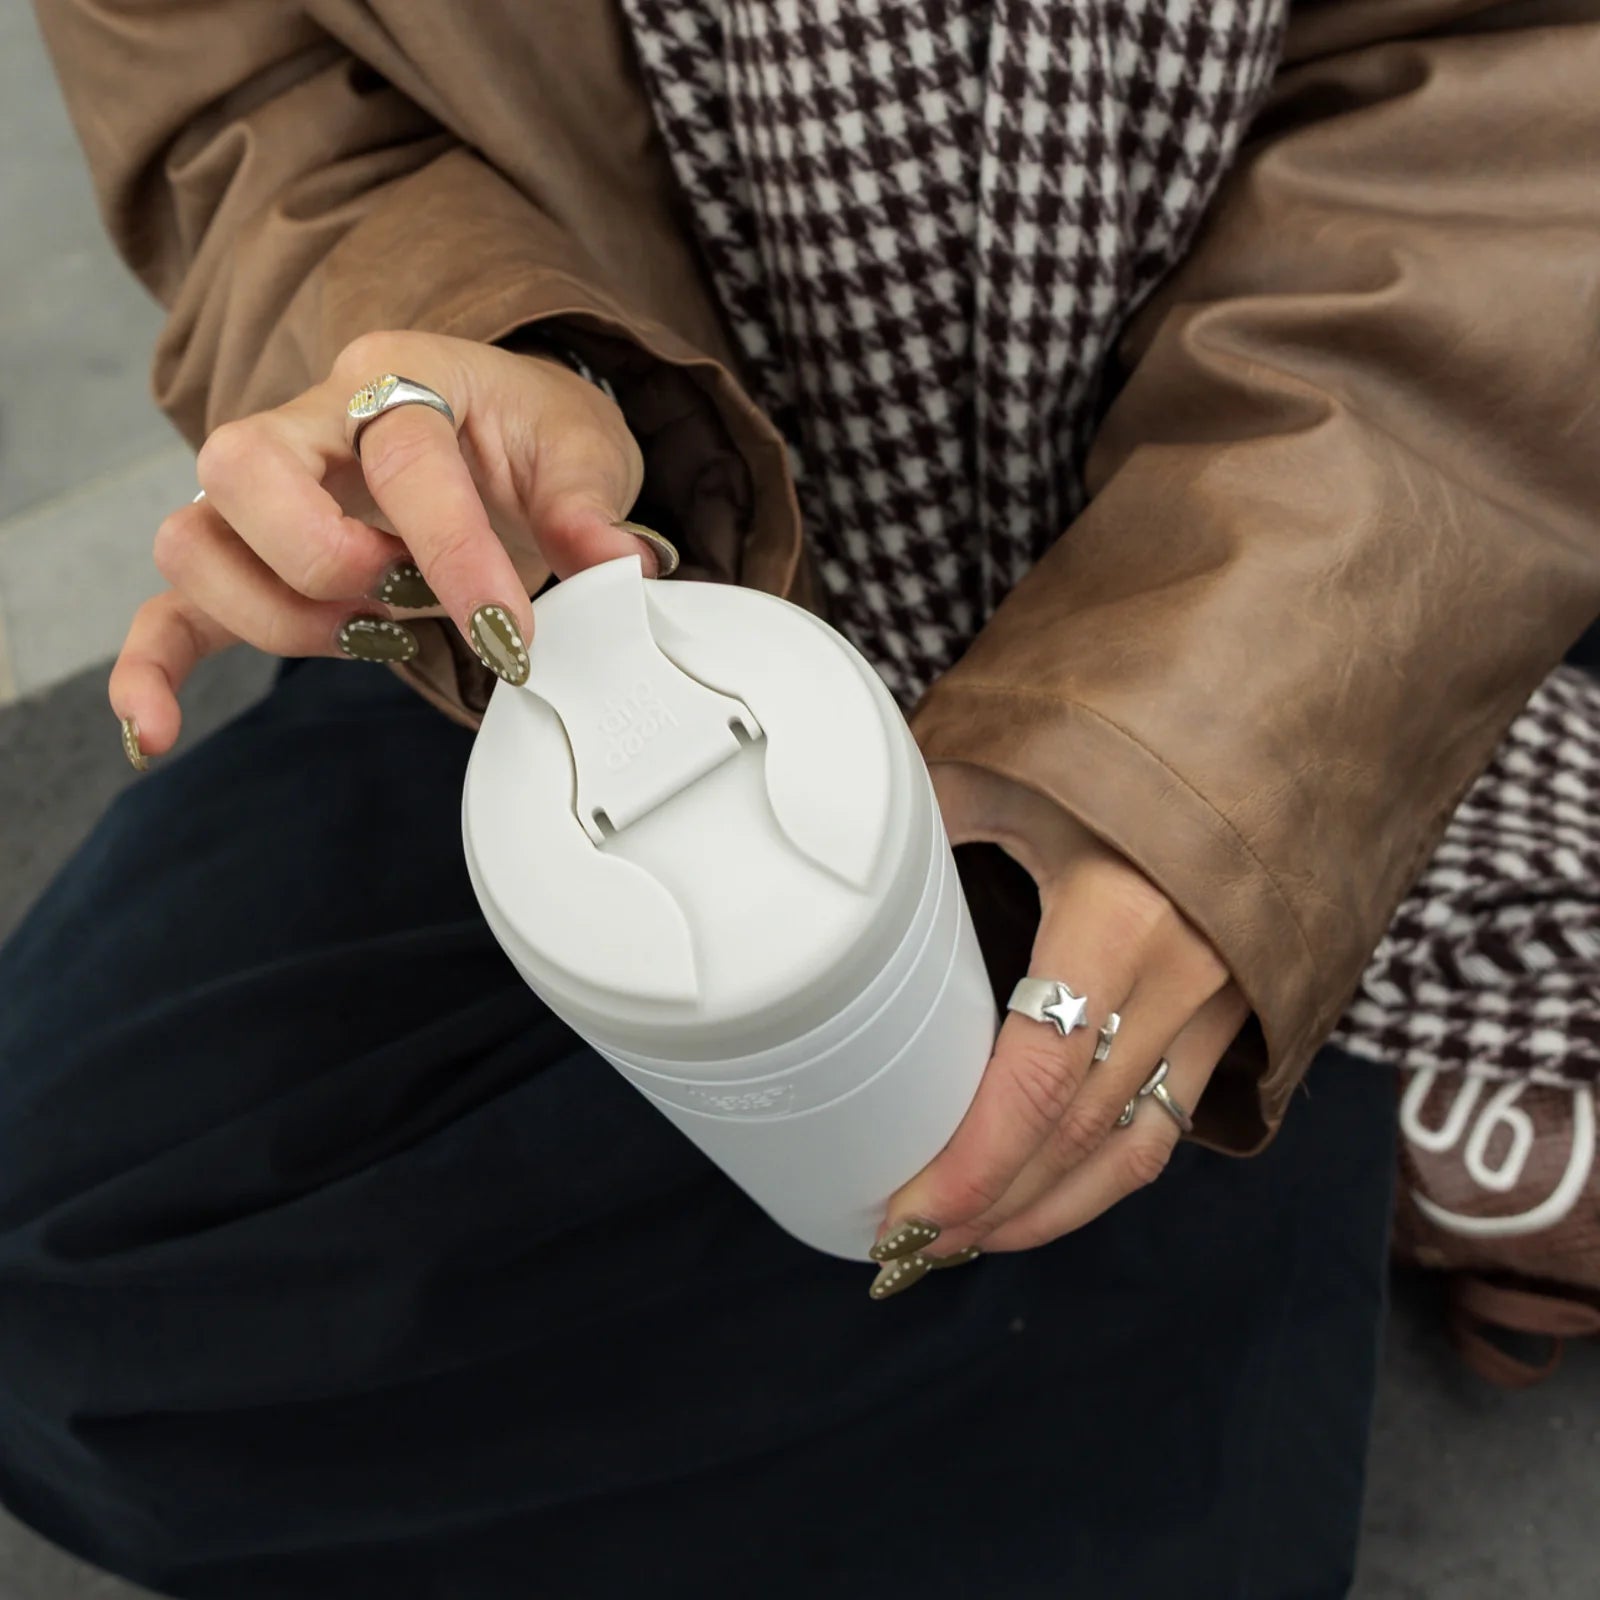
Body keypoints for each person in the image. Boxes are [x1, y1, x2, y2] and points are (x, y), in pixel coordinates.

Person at [2, 0, 1596, 1595]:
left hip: (1289, 509)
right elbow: (243, 115)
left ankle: (1279, 1087)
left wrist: (1210, 754)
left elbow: (1525, 115)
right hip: (617, 588)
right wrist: (463, 371)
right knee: (62, 1289)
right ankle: (1289, 1141)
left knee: (1082, 1347)